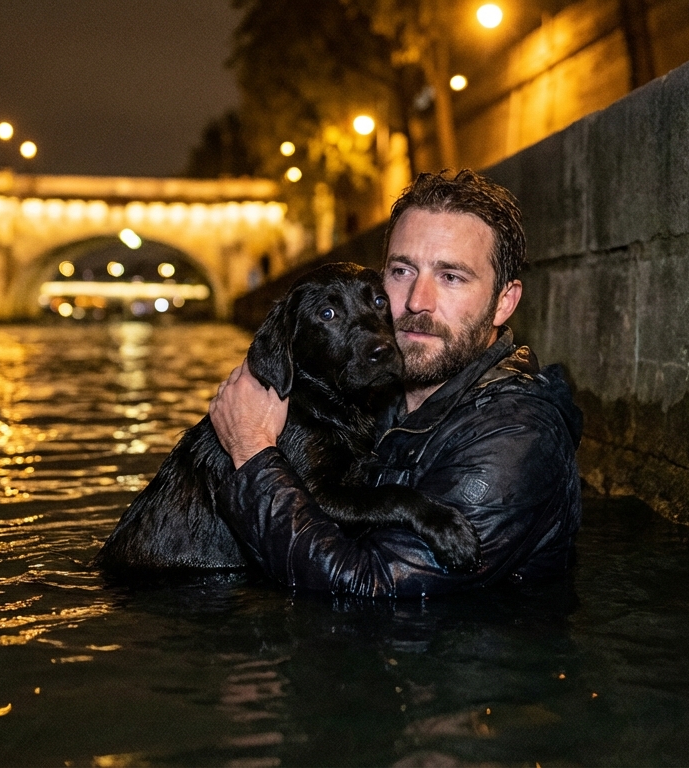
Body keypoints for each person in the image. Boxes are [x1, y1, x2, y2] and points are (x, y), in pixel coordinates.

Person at [209, 169, 583, 597]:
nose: (417, 301)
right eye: (403, 271)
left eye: (451, 277)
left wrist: (251, 449)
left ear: (504, 302)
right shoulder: (371, 396)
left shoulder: (517, 436)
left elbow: (373, 587)